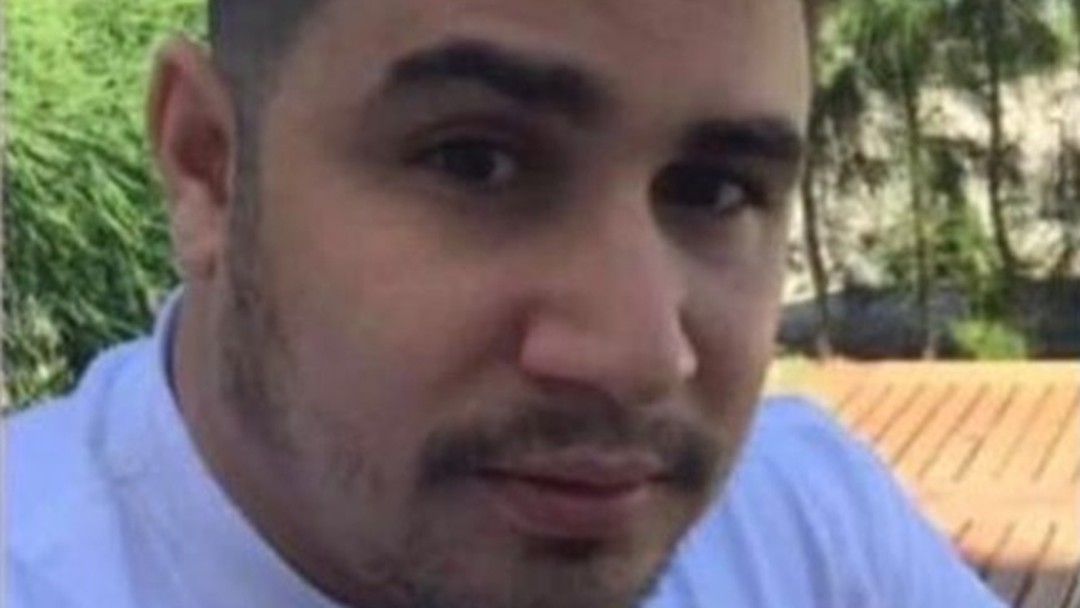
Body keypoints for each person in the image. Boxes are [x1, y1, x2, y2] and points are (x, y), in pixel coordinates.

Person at [5, 1, 1004, 606]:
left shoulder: (807, 535)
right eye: (475, 162)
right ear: (210, 169)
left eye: (714, 189)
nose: (639, 354)